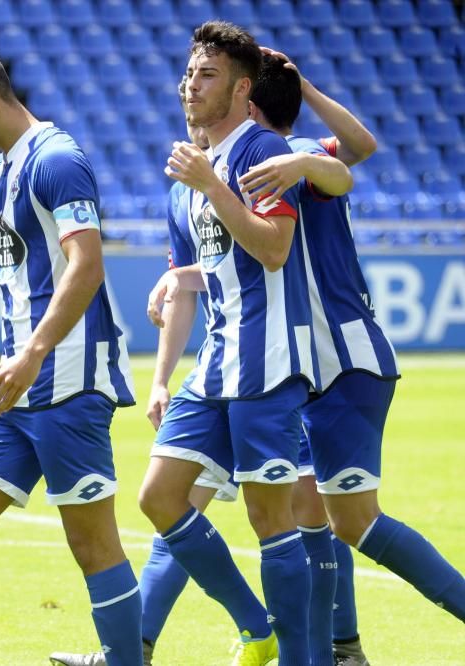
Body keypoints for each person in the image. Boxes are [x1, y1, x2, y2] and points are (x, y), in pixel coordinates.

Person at [0, 46, 141, 666]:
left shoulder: (57, 160)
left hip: (65, 378)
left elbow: (86, 264)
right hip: (16, 386)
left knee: (92, 544)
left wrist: (36, 351)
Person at [242, 50, 464, 654]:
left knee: (354, 520)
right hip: (306, 367)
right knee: (309, 511)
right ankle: (341, 647)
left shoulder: (299, 162)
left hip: (347, 360)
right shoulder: (252, 162)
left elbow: (354, 156)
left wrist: (299, 84)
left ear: (249, 102)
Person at [134, 21, 321, 666]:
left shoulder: (260, 151)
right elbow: (204, 276)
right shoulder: (192, 171)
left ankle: (303, 657)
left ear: (243, 89)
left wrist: (212, 187)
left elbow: (273, 249)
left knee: (273, 522)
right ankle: (255, 627)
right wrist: (172, 286)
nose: (191, 85)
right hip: (215, 365)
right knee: (158, 497)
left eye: (207, 74)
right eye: (189, 73)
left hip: (268, 364)